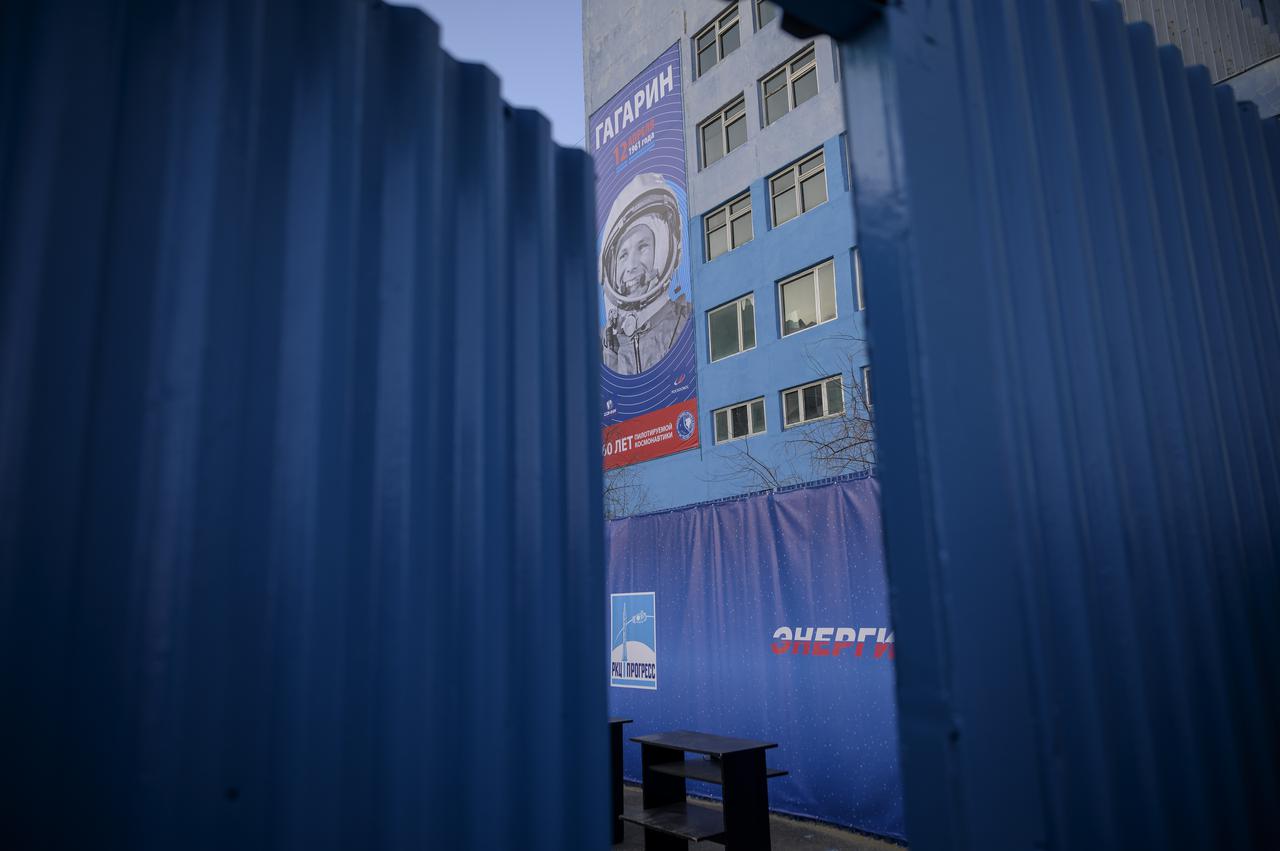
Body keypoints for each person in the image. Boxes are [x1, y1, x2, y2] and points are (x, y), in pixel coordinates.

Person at [600, 173, 691, 375]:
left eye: (643, 247)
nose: (631, 266)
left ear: (664, 251)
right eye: (623, 255)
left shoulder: (688, 320)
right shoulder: (606, 345)